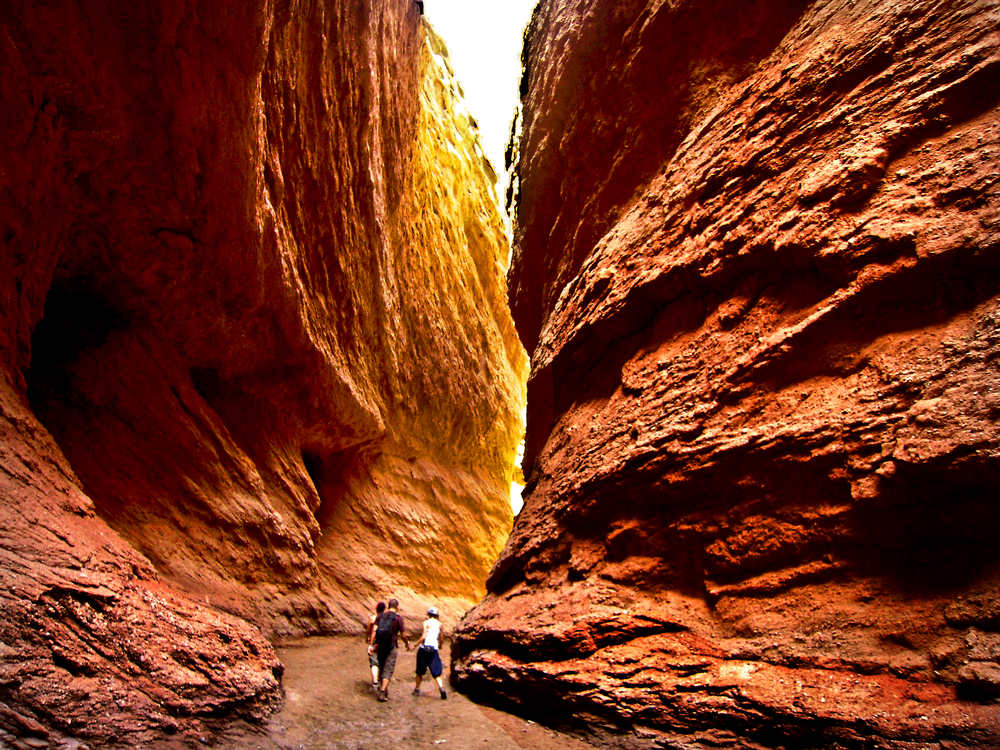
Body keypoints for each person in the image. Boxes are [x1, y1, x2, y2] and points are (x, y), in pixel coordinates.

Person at [369, 598, 410, 701]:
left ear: (388, 606)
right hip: (391, 646)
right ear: (397, 607)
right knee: (389, 669)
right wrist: (407, 644)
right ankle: (383, 692)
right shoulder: (398, 618)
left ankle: (383, 688)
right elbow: (403, 634)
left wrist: (372, 644)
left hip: (380, 646)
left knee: (381, 667)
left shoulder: (380, 616)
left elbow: (374, 630)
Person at [412, 606, 447, 699]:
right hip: (433, 649)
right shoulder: (440, 624)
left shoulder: (426, 623)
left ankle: (417, 689)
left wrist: (414, 645)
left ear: (429, 614)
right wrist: (440, 645)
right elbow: (441, 637)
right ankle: (441, 689)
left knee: (419, 671)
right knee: (436, 672)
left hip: (423, 649)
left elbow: (423, 636)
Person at [365, 601, 386, 692]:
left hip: (375, 642)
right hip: (385, 643)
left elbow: (369, 630)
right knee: (383, 662)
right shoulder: (387, 618)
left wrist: (368, 641)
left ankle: (375, 683)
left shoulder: (373, 618)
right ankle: (383, 683)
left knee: (374, 663)